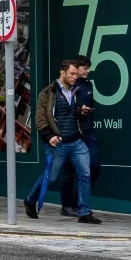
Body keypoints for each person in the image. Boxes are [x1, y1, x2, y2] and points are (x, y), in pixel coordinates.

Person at [24, 58, 100, 223]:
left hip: (77, 141)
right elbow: (40, 119)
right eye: (72, 74)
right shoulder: (47, 93)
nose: (75, 77)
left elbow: (75, 115)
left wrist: (82, 112)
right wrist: (49, 136)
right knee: (51, 178)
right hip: (59, 143)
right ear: (62, 73)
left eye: (76, 74)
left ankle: (84, 212)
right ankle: (30, 200)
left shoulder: (76, 91)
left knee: (85, 174)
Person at [55, 57, 98, 215]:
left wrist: (86, 112)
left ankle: (79, 202)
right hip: (73, 134)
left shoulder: (88, 84)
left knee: (94, 167)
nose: (88, 71)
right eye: (85, 68)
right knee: (69, 171)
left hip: (88, 132)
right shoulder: (69, 86)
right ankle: (67, 206)